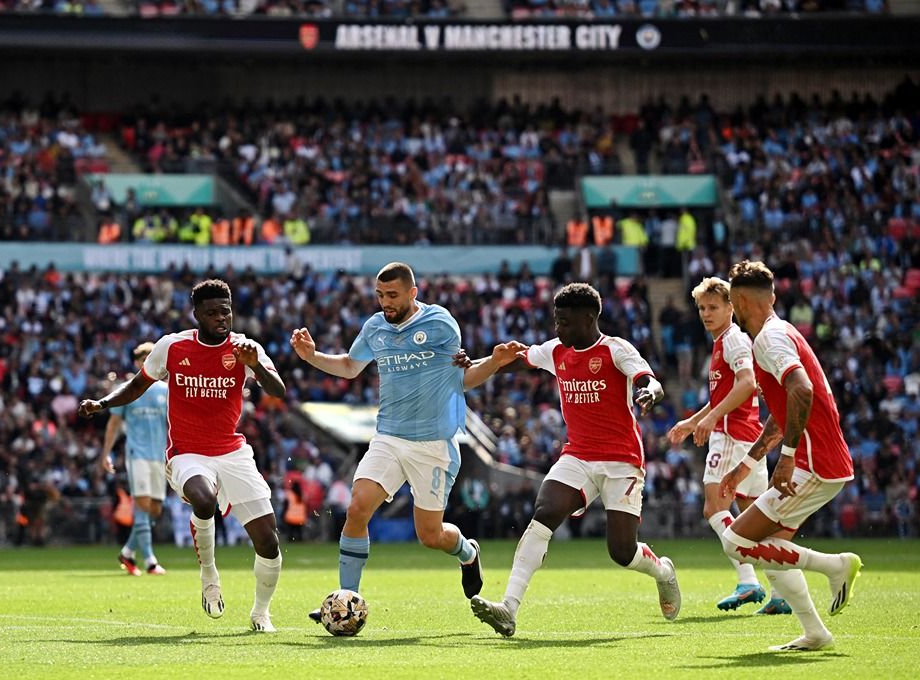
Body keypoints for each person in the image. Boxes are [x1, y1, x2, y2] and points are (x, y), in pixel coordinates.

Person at [290, 262, 522, 622]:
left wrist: (494, 361)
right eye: (380, 295)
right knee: (357, 509)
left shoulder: (440, 324)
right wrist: (312, 357)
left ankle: (467, 551)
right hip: (388, 438)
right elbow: (351, 366)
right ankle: (346, 599)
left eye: (393, 295)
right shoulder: (375, 328)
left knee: (430, 535)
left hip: (433, 445)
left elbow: (462, 378)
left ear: (413, 293)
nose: (386, 302)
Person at [465, 283, 681, 637]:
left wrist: (648, 393)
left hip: (621, 461)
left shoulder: (615, 350)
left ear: (589, 318)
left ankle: (663, 572)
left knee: (622, 552)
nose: (558, 329)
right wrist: (474, 364)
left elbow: (649, 379)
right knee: (545, 511)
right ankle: (509, 608)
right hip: (578, 454)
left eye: (564, 322)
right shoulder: (556, 350)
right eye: (556, 321)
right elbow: (515, 363)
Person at [78, 279, 286, 633]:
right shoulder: (172, 347)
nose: (222, 318)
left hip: (233, 452)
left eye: (226, 311)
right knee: (203, 501)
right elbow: (139, 384)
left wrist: (257, 365)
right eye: (212, 313)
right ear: (197, 315)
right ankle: (209, 573)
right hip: (187, 453)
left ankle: (260, 613)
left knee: (268, 540)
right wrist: (102, 403)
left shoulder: (244, 348)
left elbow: (278, 391)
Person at [718, 260, 862, 652]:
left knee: (735, 541)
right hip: (821, 461)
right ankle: (815, 633)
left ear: (741, 300)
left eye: (731, 302)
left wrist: (788, 456)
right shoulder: (781, 332)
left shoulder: (768, 340)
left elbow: (801, 392)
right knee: (772, 552)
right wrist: (748, 463)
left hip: (813, 465)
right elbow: (784, 413)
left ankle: (836, 566)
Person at [668, 277, 789, 615]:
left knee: (713, 507)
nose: (706, 313)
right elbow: (728, 395)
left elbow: (748, 384)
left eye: (713, 307)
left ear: (731, 307)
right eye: (702, 308)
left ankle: (747, 580)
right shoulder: (725, 341)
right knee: (758, 517)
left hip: (733, 436)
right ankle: (781, 592)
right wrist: (694, 420)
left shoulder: (733, 340)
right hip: (748, 436)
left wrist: (710, 420)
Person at [99, 342, 169, 576]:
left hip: (159, 456)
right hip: (136, 453)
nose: (145, 361)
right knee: (142, 504)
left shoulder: (165, 390)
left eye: (149, 357)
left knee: (155, 508)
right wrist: (106, 452)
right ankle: (149, 560)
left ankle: (128, 552)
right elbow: (114, 424)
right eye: (141, 358)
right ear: (136, 362)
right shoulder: (128, 389)